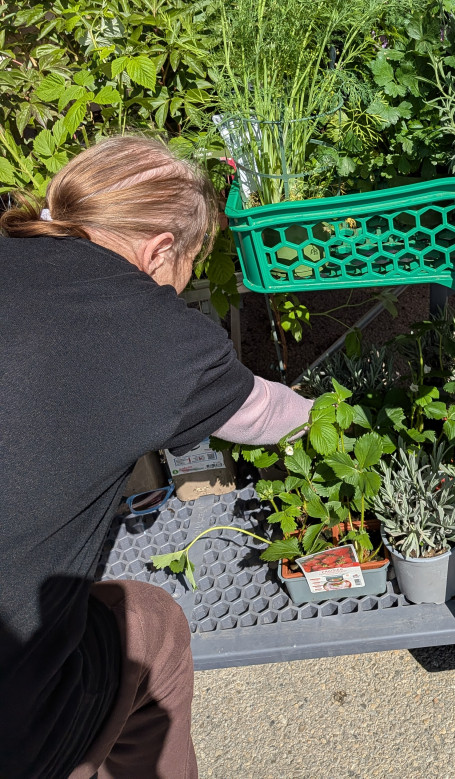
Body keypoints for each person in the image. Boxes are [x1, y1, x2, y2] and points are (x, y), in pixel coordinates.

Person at [0, 135, 314, 779]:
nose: (181, 285)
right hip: (12, 724)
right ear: (162, 248)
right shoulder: (158, 332)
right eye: (191, 265)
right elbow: (274, 418)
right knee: (154, 627)